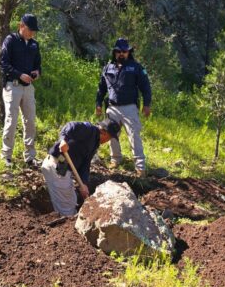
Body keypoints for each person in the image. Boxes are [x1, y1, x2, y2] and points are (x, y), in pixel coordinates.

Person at [95, 37, 152, 177]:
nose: (122, 54)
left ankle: (140, 167)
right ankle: (115, 159)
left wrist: (147, 104)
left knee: (134, 136)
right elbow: (101, 88)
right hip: (112, 107)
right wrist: (98, 104)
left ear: (128, 52)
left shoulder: (136, 67)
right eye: (119, 51)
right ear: (114, 52)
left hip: (130, 108)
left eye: (124, 51)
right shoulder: (107, 68)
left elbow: (146, 87)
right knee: (111, 135)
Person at [41, 119, 121, 217]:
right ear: (104, 133)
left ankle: (64, 222)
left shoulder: (94, 144)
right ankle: (68, 227)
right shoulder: (89, 130)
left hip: (63, 170)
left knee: (71, 200)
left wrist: (84, 184)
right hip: (56, 165)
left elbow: (85, 165)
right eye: (109, 138)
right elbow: (70, 125)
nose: (108, 141)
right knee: (68, 206)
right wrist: (63, 140)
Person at [0, 13, 42, 167]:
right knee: (11, 120)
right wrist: (19, 74)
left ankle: (30, 156)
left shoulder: (34, 44)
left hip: (28, 87)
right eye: (30, 29)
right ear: (21, 26)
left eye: (34, 31)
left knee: (30, 121)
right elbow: (3, 64)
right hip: (13, 85)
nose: (32, 33)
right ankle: (6, 155)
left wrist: (36, 72)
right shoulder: (10, 40)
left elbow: (38, 65)